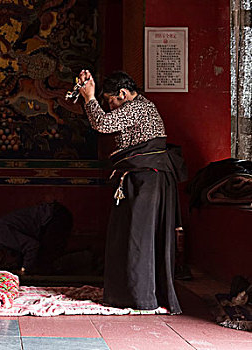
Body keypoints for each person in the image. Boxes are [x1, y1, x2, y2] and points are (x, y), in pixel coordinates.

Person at [77, 70, 186, 314]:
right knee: (134, 237)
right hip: (145, 178)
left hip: (148, 179)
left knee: (140, 239)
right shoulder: (141, 106)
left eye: (111, 101)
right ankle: (133, 293)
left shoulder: (138, 107)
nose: (110, 106)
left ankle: (141, 297)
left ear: (123, 94)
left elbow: (103, 124)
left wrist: (89, 98)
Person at [0, 201, 73, 276]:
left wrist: (24, 269)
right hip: (51, 218)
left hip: (55, 217)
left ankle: (81, 258)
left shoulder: (1, 236)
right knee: (34, 262)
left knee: (42, 265)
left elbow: (32, 246)